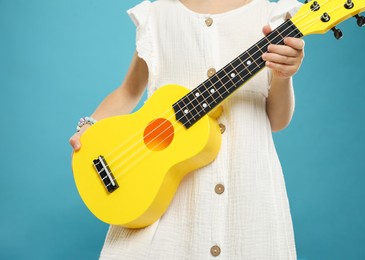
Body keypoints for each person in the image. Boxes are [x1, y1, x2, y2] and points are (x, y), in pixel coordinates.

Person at [69, 0, 305, 259]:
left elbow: (277, 120)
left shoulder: (270, 18)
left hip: (247, 192)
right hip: (166, 199)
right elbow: (128, 91)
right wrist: (89, 126)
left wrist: (283, 76)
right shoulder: (158, 15)